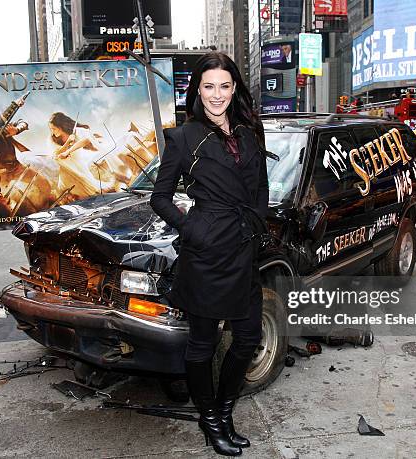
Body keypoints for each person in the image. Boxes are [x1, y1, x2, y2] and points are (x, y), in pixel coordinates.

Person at [150, 51, 269, 457]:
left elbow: (261, 188)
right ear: (196, 90)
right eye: (208, 86)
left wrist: (257, 223)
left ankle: (222, 412)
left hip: (244, 247)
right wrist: (192, 228)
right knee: (202, 343)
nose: (216, 95)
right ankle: (211, 419)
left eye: (224, 85)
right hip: (206, 253)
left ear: (234, 88)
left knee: (248, 336)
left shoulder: (251, 130)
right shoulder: (184, 137)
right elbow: (160, 197)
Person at [49, 112, 122, 200]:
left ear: (61, 127)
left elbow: (86, 140)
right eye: (51, 129)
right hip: (66, 173)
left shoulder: (77, 132)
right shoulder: (52, 139)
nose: (52, 132)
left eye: (54, 129)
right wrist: (67, 143)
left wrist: (69, 150)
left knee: (93, 195)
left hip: (80, 169)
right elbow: (55, 155)